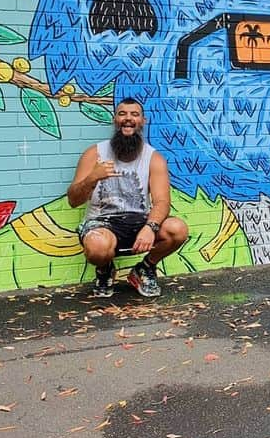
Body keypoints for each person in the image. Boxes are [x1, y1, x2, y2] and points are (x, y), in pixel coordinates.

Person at [67, 97, 188, 297]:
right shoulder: (94, 154)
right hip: (101, 224)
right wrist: (92, 178)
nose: (128, 119)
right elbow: (73, 200)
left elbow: (162, 202)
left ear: (143, 121)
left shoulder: (153, 158)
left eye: (134, 114)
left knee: (178, 229)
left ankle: (144, 269)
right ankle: (105, 270)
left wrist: (151, 228)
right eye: (122, 114)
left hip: (139, 222)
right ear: (115, 120)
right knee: (97, 247)